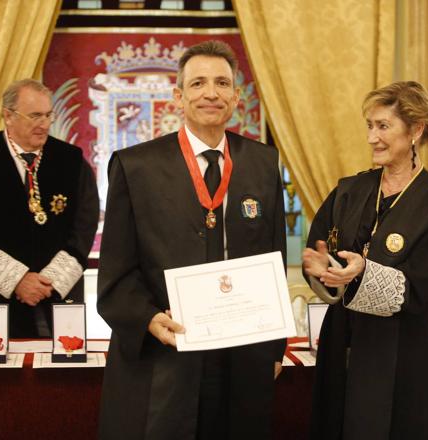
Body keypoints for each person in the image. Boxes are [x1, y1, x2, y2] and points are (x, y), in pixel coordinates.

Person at [97, 40, 286, 440]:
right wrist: (147, 319)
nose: (211, 93)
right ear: (179, 97)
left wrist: (273, 346)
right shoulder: (136, 167)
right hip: (166, 358)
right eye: (198, 84)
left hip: (242, 361)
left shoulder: (263, 162)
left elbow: (273, 255)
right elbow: (116, 273)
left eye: (222, 83)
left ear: (237, 96)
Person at [303, 80, 428, 439]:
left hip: (402, 350)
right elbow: (319, 252)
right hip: (341, 339)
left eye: (383, 126)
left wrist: (359, 274)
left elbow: (417, 288)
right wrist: (321, 271)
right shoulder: (350, 190)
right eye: (369, 126)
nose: (371, 137)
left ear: (416, 130)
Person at [0, 79, 99, 338]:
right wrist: (18, 280)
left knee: (63, 376)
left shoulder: (71, 161)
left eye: (49, 115)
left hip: (59, 297)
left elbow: (85, 227)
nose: (44, 124)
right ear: (8, 116)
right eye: (35, 115)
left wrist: (48, 283)